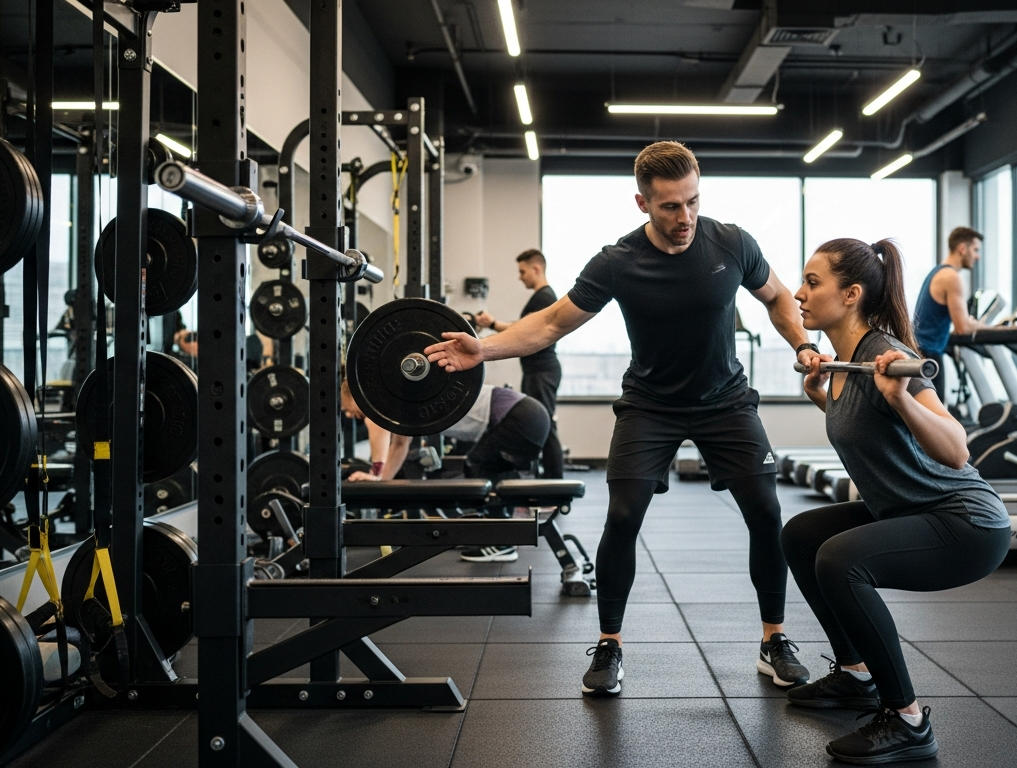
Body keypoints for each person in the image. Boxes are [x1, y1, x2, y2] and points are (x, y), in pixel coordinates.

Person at [425, 141, 816, 698]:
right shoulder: (619, 261)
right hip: (650, 406)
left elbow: (778, 297)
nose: (685, 218)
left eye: (692, 202)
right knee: (624, 515)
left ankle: (773, 640)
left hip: (726, 401)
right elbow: (552, 323)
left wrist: (801, 343)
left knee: (765, 510)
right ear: (642, 203)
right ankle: (610, 644)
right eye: (670, 207)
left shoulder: (731, 242)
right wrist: (482, 349)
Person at [786, 238, 1011, 764]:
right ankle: (855, 675)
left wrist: (900, 400)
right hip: (912, 510)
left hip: (967, 523)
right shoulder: (846, 363)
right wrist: (822, 395)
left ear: (851, 295)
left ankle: (907, 719)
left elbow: (957, 451)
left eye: (812, 283)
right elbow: (868, 434)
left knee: (839, 560)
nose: (798, 294)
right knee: (801, 535)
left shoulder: (893, 357)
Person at [341, 379, 552, 562]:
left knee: (477, 464)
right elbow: (399, 446)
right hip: (530, 415)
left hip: (522, 416)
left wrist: (377, 477)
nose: (349, 415)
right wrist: (381, 484)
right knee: (490, 468)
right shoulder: (406, 402)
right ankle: (502, 537)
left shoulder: (396, 401)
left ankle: (501, 542)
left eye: (346, 408)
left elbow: (381, 430)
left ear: (360, 396)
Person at [475, 249, 565, 480]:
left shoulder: (544, 297)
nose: (520, 276)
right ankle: (551, 480)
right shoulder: (542, 297)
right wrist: (493, 324)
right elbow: (522, 327)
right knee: (544, 425)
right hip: (537, 371)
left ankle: (555, 484)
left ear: (536, 269)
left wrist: (493, 324)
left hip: (541, 372)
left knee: (545, 426)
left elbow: (525, 332)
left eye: (522, 271)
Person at [912, 226, 988, 397]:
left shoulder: (937, 271)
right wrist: (990, 327)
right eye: (975, 250)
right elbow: (963, 327)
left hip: (920, 350)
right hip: (927, 354)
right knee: (935, 418)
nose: (978, 256)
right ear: (962, 248)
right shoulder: (951, 277)